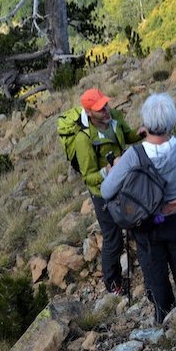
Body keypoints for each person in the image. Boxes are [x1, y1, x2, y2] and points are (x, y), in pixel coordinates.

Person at [100, 92, 176, 323]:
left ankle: (163, 320)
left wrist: (115, 168)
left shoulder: (135, 155)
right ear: (172, 121)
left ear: (145, 123)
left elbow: (106, 191)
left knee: (155, 276)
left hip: (146, 226)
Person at [66, 87, 141, 295]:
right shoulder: (83, 139)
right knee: (113, 238)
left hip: (124, 184)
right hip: (102, 193)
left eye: (105, 104)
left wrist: (140, 133)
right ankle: (113, 283)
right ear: (89, 113)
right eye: (100, 109)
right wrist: (107, 170)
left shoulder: (114, 116)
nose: (106, 110)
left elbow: (128, 135)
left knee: (138, 222)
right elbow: (88, 176)